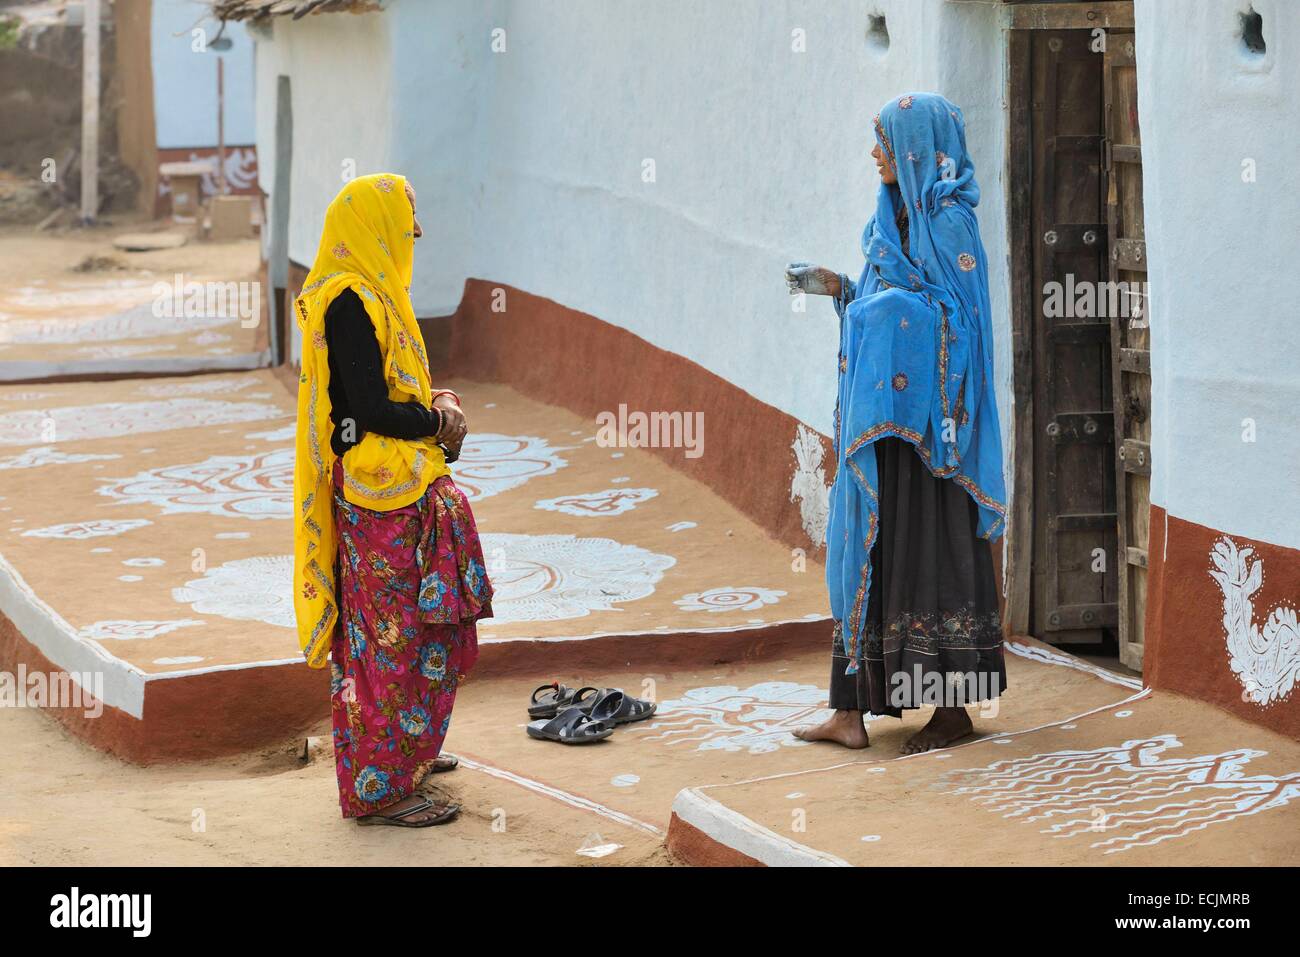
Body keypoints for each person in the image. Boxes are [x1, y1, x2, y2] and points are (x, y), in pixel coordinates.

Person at [786, 93, 1008, 754]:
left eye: (884, 142)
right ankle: (849, 711)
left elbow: (958, 327)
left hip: (935, 442)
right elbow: (886, 301)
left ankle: (951, 711)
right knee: (869, 551)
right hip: (882, 430)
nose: (875, 154)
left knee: (931, 559)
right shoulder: (889, 222)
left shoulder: (950, 226)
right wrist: (844, 293)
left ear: (915, 146)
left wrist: (886, 317)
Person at [293, 172, 493, 826]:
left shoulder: (375, 295)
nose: (417, 233)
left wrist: (434, 405)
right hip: (379, 494)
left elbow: (383, 398)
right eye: (407, 220)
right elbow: (371, 410)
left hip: (391, 482)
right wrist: (435, 423)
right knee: (391, 640)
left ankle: (405, 750)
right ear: (373, 227)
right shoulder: (351, 301)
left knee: (403, 631)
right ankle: (380, 789)